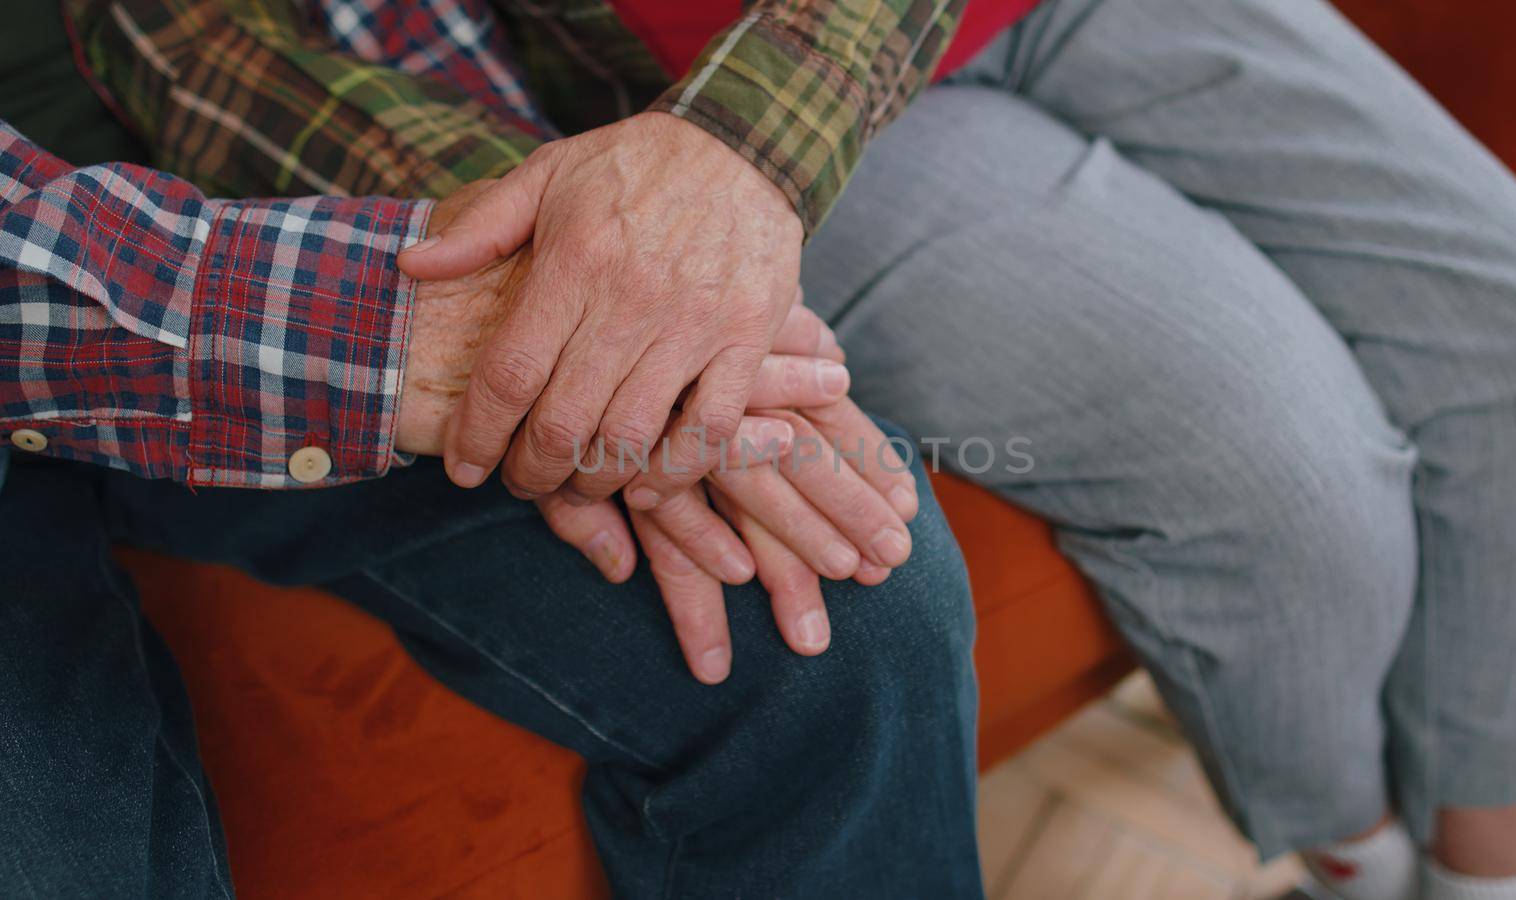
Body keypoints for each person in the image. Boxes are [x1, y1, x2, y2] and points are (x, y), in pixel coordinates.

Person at [0, 2, 984, 897]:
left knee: (846, 609)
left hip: (250, 229)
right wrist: (385, 330)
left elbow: (218, 45)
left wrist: (596, 274)